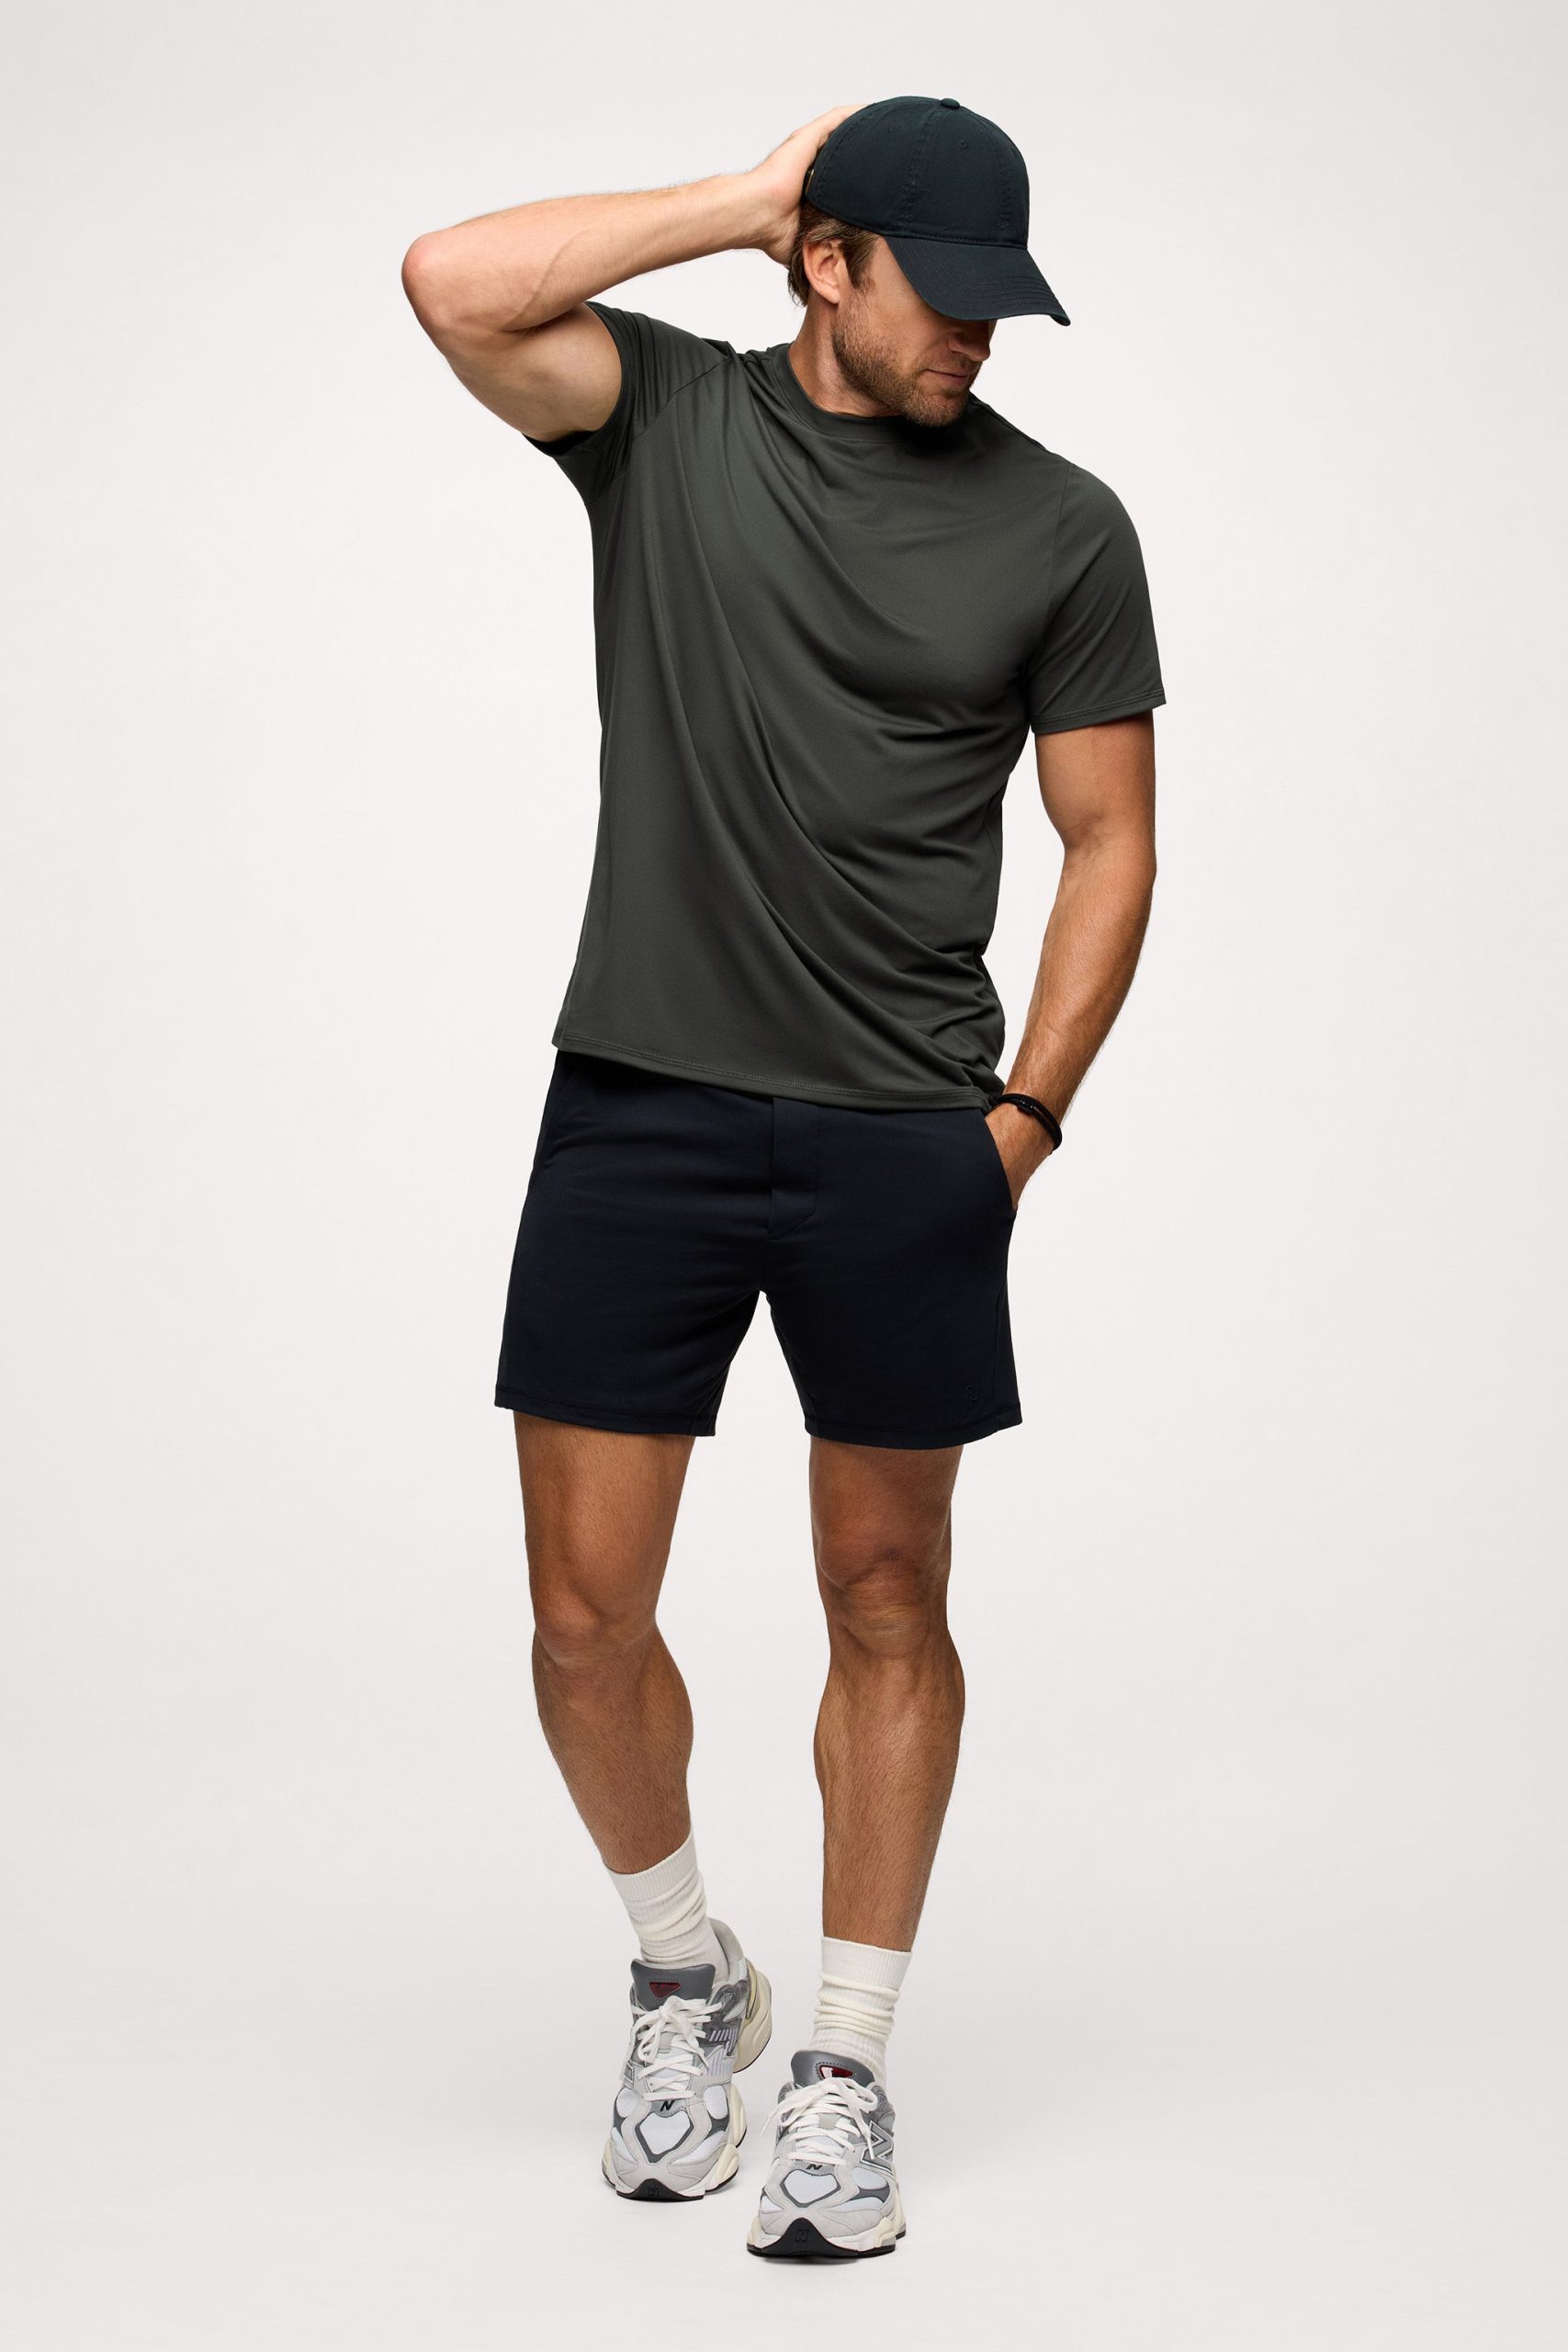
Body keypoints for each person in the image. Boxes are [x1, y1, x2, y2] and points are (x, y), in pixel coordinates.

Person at [400, 93, 1165, 2260]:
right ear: (826, 264)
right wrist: (745, 196)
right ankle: (682, 1973)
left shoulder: (1064, 526)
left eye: (1006, 302)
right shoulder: (665, 422)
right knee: (580, 1617)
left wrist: (1022, 1115)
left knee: (887, 1592)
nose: (978, 337)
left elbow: (1108, 837)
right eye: (943, 291)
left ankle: (838, 2062)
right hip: (639, 1097)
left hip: (904, 1130)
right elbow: (452, 283)